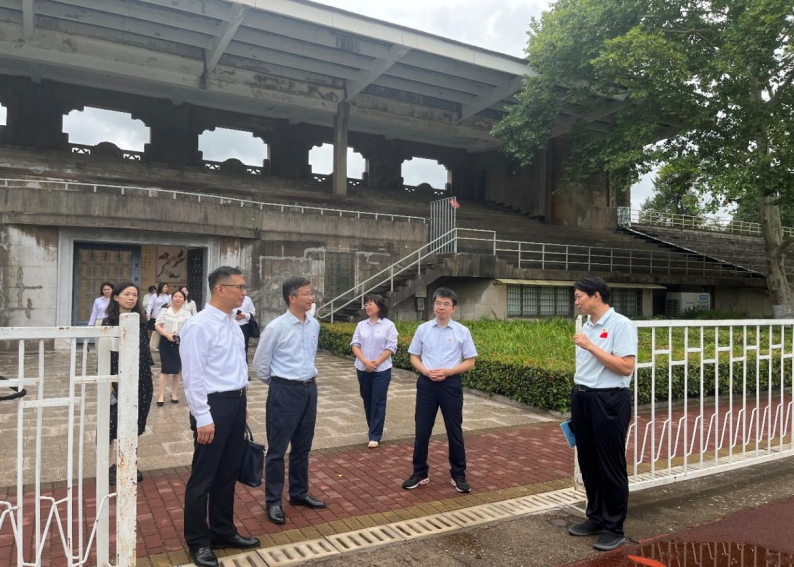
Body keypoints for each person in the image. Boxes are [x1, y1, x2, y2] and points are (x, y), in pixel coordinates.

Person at [180, 266, 259, 567]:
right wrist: (202, 416)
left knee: (227, 473)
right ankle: (198, 541)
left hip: (235, 403)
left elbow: (235, 365)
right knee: (204, 476)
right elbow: (193, 375)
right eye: (239, 287)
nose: (244, 293)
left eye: (244, 287)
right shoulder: (199, 325)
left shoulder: (233, 323)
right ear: (220, 289)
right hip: (212, 406)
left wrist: (242, 401)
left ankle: (223, 531)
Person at [567, 277, 637, 552]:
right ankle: (595, 517)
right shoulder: (588, 326)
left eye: (579, 296)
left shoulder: (620, 324)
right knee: (588, 461)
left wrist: (590, 346)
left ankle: (614, 527)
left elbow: (626, 366)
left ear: (596, 296)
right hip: (583, 397)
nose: (576, 301)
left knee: (610, 464)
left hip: (609, 399)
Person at [253, 277, 325, 525]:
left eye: (311, 293)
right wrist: (279, 385)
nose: (311, 297)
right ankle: (273, 501)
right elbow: (260, 364)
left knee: (303, 447)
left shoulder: (314, 324)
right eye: (306, 293)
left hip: (309, 390)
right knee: (277, 450)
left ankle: (299, 493)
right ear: (292, 298)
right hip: (284, 391)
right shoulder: (276, 327)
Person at [402, 287, 477, 494]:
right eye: (438, 303)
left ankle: (458, 474)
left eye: (446, 304)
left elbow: (470, 361)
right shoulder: (423, 329)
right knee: (422, 429)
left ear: (453, 308)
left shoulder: (462, 331)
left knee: (454, 429)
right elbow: (414, 356)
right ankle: (419, 472)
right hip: (426, 384)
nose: (441, 307)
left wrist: (449, 372)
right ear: (433, 305)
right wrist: (426, 372)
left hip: (450, 384)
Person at [102, 282, 154, 486]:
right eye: (126, 294)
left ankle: (128, 462)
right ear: (116, 297)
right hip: (117, 378)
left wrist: (147, 378)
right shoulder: (108, 322)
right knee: (111, 423)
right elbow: (104, 354)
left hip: (141, 377)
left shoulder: (140, 321)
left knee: (135, 422)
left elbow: (145, 352)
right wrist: (109, 382)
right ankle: (108, 466)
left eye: (134, 294)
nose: (131, 298)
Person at [350, 294, 398, 448]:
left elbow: (391, 347)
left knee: (378, 400)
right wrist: (365, 362)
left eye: (371, 303)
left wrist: (376, 363)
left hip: (381, 369)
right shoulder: (361, 325)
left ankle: (375, 435)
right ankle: (372, 428)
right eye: (366, 304)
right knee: (367, 399)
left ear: (380, 306)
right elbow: (355, 344)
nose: (367, 306)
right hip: (363, 368)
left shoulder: (389, 325)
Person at [155, 289, 192, 406]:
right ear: (172, 299)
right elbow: (157, 325)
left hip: (181, 343)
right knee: (165, 369)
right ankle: (161, 395)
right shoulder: (165, 311)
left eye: (180, 297)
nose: (177, 298)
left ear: (184, 300)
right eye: (175, 296)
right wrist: (167, 335)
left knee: (177, 369)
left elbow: (190, 329)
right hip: (166, 342)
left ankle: (174, 393)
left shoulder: (187, 314)